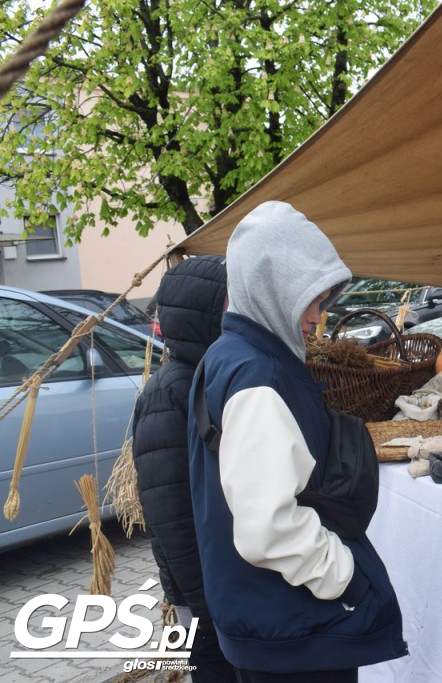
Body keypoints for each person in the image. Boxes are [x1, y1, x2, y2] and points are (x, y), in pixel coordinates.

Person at [188, 201, 406, 682]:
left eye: (325, 301)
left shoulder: (229, 354)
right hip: (292, 627)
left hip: (267, 618)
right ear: (271, 285)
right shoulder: (258, 376)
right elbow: (268, 527)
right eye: (309, 298)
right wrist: (341, 574)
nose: (317, 317)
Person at [131, 254, 234, 681]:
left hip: (222, 582)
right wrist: (205, 604)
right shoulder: (170, 393)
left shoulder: (213, 376)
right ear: (203, 314)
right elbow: (170, 514)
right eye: (231, 306)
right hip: (202, 591)